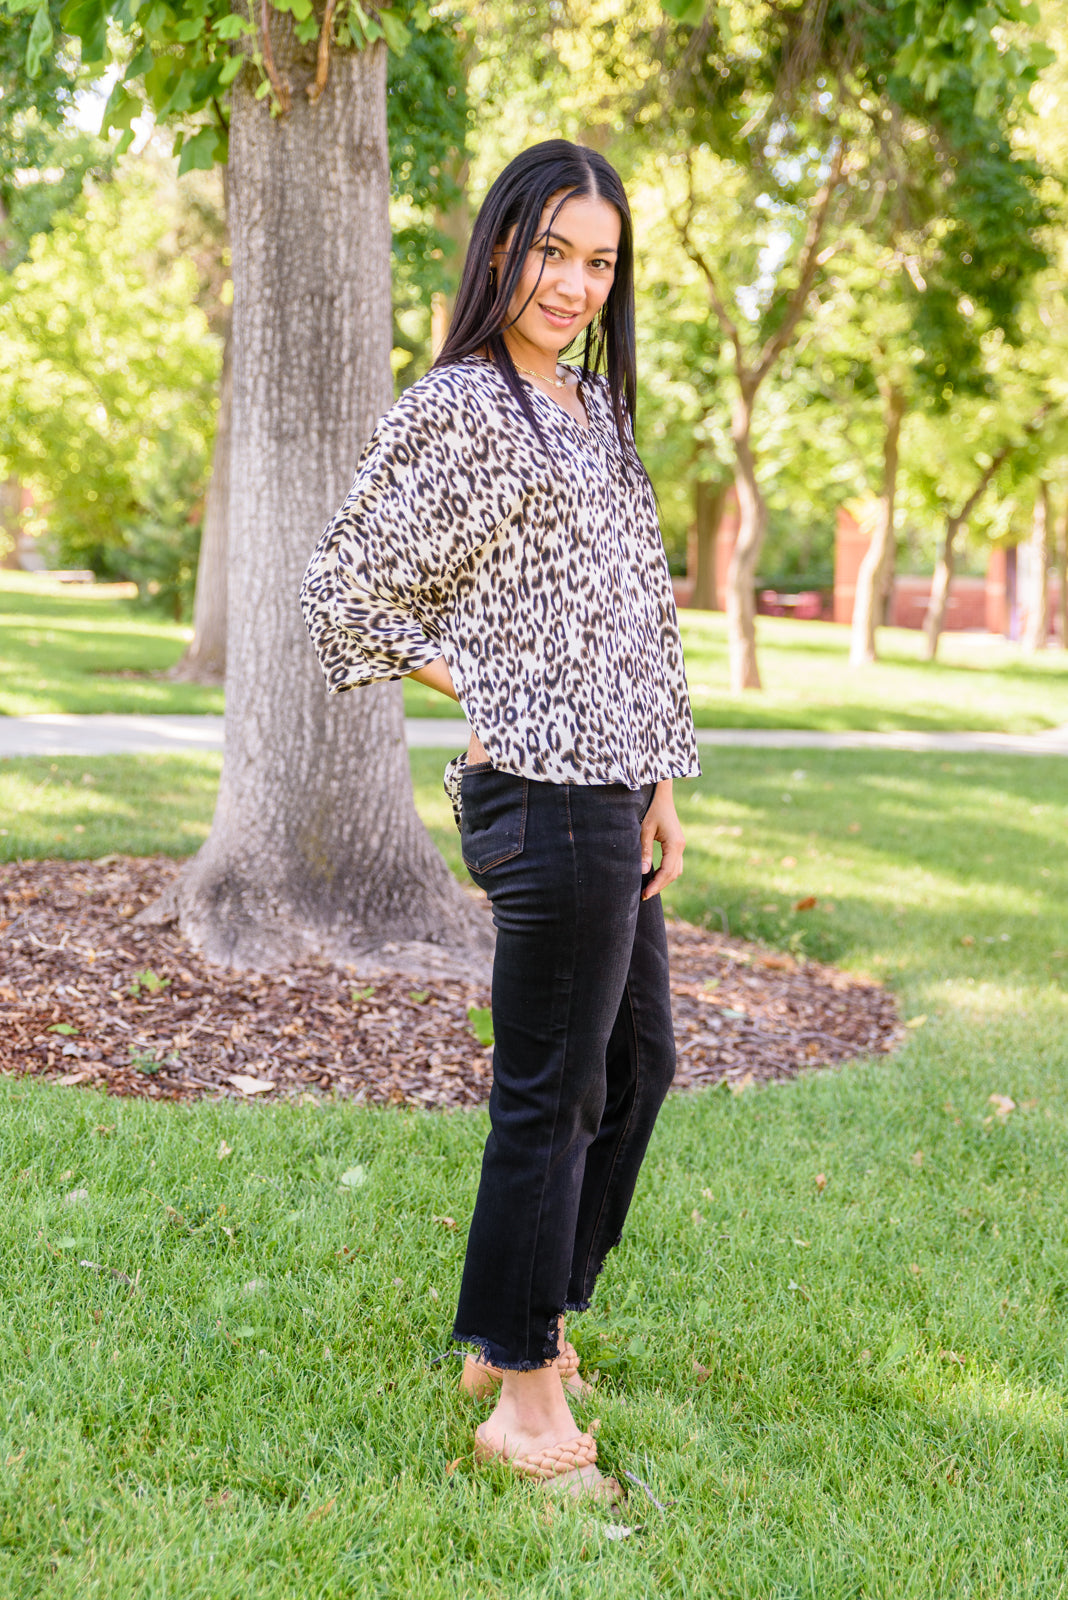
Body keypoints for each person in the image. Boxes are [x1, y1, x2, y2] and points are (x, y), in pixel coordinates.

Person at [300, 139, 700, 1502]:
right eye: (551, 251)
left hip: (617, 795)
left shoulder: (594, 412)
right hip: (539, 794)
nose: (574, 283)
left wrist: (660, 775)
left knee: (639, 1069)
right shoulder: (463, 408)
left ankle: (515, 1324)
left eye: (599, 261)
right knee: (553, 1094)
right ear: (498, 249)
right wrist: (485, 676)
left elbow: (638, 609)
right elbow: (348, 594)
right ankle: (526, 1408)